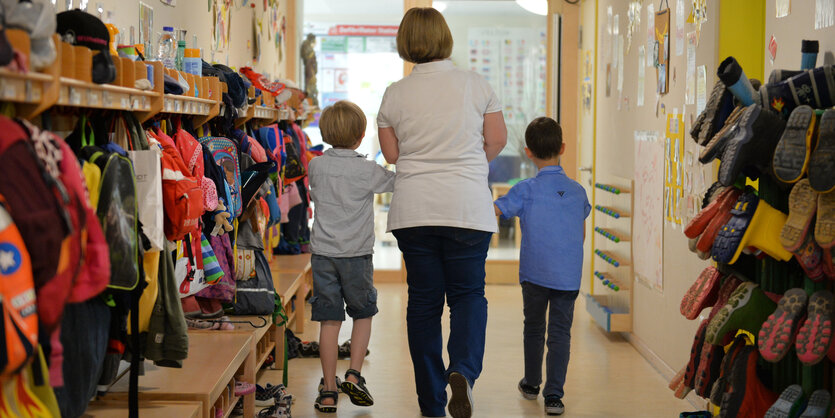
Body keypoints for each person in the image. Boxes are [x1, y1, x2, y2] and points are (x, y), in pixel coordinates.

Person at [377, 7, 507, 418]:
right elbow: (496, 140)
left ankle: (431, 403)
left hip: (414, 211)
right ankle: (464, 372)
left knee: (424, 304)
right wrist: (467, 163)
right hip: (467, 207)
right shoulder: (476, 84)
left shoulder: (395, 93)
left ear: (406, 42)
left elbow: (393, 155)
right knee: (468, 297)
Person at [494, 117, 590, 416]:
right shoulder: (577, 192)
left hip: (535, 275)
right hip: (568, 275)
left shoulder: (525, 190)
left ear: (528, 152)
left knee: (534, 327)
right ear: (562, 148)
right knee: (561, 332)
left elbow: (495, 211)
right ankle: (554, 397)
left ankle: (532, 384)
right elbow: (581, 232)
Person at [308, 100, 395, 414]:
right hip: (356, 256)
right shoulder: (367, 169)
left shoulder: (315, 166)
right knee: (363, 313)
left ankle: (328, 391)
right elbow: (396, 183)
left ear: (326, 132)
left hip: (322, 256)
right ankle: (354, 376)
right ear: (361, 135)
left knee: (329, 321)